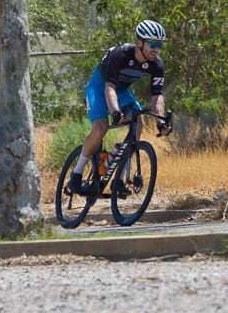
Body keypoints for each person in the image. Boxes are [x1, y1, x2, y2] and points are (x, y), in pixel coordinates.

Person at [68, 20, 172, 194]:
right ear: (140, 42)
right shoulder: (121, 55)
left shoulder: (157, 65)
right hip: (100, 87)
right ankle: (76, 174)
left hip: (121, 91)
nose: (156, 49)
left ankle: (119, 179)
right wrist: (115, 111)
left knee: (138, 123)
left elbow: (157, 96)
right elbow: (109, 88)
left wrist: (161, 121)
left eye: (159, 45)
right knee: (101, 128)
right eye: (152, 44)